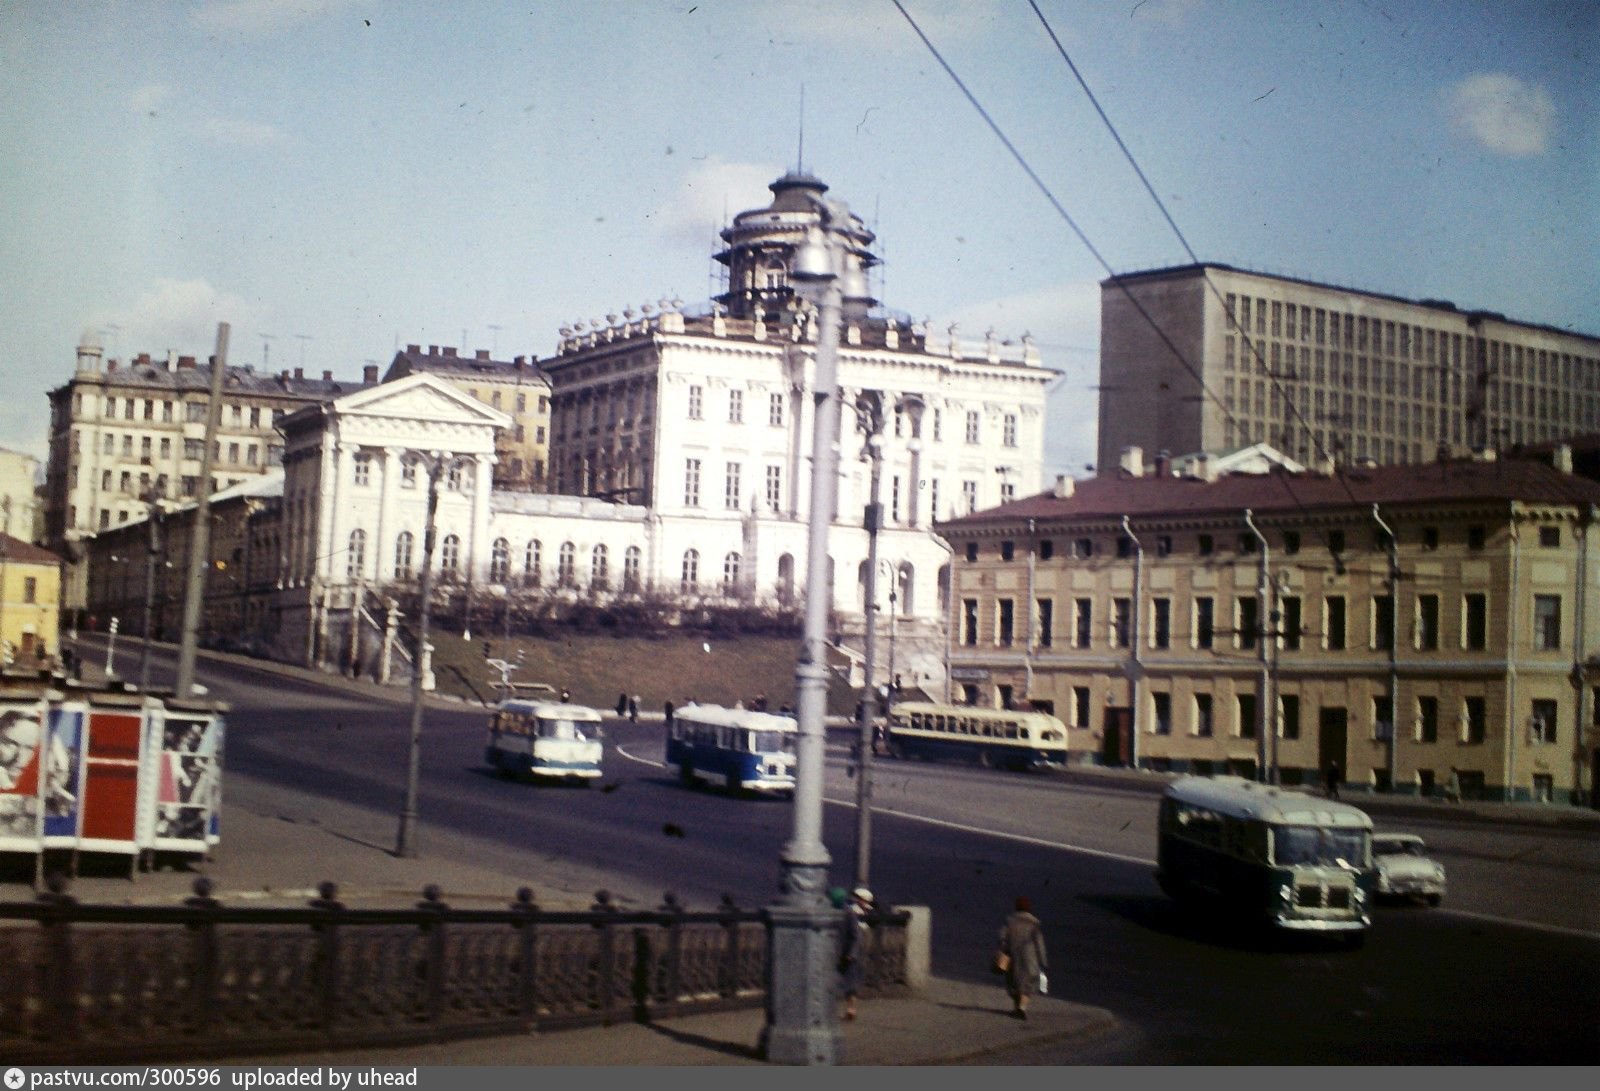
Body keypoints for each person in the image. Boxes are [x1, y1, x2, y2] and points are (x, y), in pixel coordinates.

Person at [997, 896, 1048, 1020]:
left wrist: (1004, 949)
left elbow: (1002, 937)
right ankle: (1022, 1008)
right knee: (1027, 985)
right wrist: (1043, 961)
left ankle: (1017, 1008)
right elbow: (1039, 944)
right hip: (1031, 959)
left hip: (1014, 957)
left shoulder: (1009, 921)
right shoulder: (1034, 924)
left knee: (1014, 982)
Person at [836, 886, 874, 1021]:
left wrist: (851, 953)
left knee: (850, 983)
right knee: (849, 983)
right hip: (850, 953)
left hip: (849, 954)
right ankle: (850, 1009)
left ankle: (850, 1009)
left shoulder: (849, 912)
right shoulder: (850, 911)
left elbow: (856, 936)